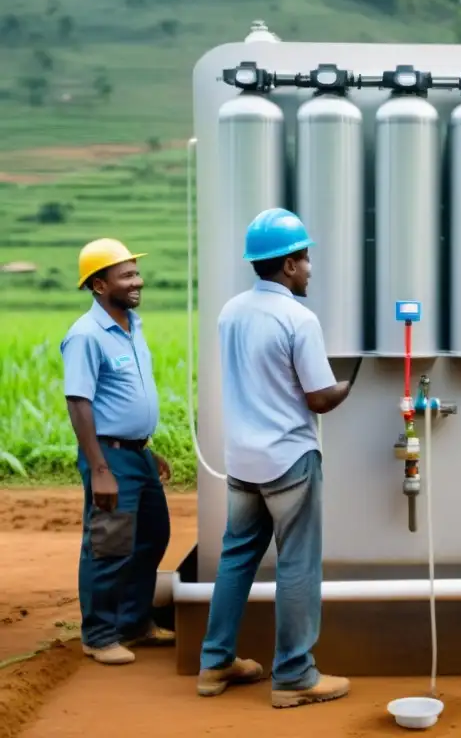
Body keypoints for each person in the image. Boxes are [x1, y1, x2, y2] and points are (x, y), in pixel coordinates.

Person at [196, 208, 354, 709]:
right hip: (289, 459)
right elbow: (318, 398)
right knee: (298, 565)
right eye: (305, 259)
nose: (309, 268)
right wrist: (352, 383)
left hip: (241, 460)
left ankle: (214, 661)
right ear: (287, 265)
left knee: (236, 557)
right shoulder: (298, 318)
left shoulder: (230, 311)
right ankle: (294, 675)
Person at [60, 238, 175, 666]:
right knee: (108, 546)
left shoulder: (132, 325)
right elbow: (79, 402)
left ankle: (133, 622)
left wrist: (146, 447)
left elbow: (125, 398)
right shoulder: (86, 335)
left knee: (152, 535)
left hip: (136, 454)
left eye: (135, 272)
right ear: (97, 284)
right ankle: (99, 634)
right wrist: (100, 466)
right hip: (110, 457)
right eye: (125, 275)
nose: (137, 281)